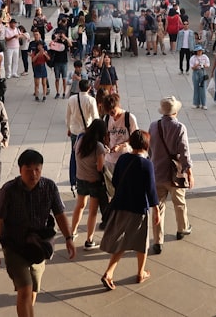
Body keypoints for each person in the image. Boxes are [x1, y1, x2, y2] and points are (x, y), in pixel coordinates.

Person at [0, 149, 77, 317]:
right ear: (20, 170)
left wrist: (69, 238)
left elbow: (59, 214)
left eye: (37, 169)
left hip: (38, 245)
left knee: (33, 289)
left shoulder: (49, 187)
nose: (33, 174)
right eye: (28, 170)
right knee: (25, 289)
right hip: (15, 246)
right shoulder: (8, 191)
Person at [99, 129, 159, 289]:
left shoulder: (124, 159)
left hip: (121, 205)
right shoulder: (147, 164)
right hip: (138, 208)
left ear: (131, 143)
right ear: (147, 144)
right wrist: (157, 210)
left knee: (122, 241)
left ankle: (109, 272)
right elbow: (151, 190)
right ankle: (140, 273)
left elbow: (116, 180)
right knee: (142, 242)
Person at [148, 96, 193, 255]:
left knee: (158, 208)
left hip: (157, 172)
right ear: (175, 111)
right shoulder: (180, 127)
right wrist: (189, 171)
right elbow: (184, 152)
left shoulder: (153, 126)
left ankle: (157, 241)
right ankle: (182, 228)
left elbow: (149, 150)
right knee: (179, 202)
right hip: (175, 173)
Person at [70, 119, 109, 250]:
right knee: (92, 212)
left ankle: (72, 232)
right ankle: (89, 240)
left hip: (80, 178)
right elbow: (99, 167)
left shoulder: (81, 140)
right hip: (94, 182)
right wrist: (105, 154)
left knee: (80, 206)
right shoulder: (98, 147)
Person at [66, 77, 99, 194]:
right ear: (89, 88)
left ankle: (74, 178)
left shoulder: (71, 99)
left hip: (75, 130)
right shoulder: (91, 100)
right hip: (87, 131)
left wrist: (68, 128)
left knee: (74, 153)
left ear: (79, 88)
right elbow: (95, 117)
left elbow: (68, 115)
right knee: (88, 154)